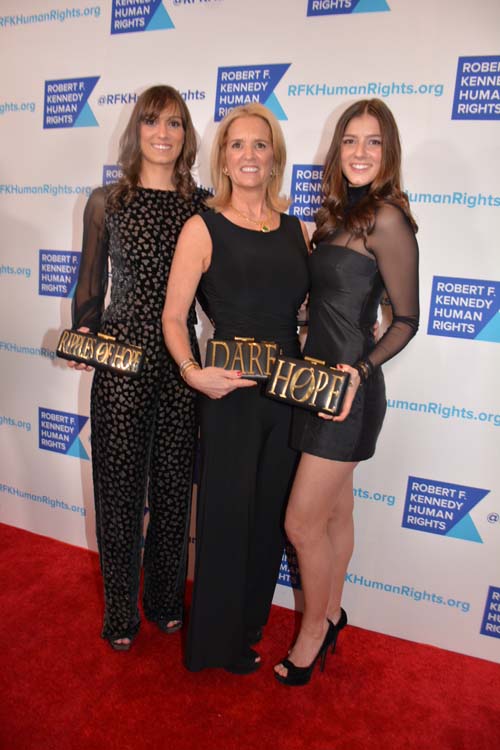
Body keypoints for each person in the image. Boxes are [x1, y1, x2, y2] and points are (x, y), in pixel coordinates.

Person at [274, 98, 419, 686]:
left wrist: (358, 370)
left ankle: (313, 632)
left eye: (373, 142)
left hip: (348, 394)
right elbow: (335, 305)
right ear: (337, 150)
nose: (360, 152)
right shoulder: (335, 217)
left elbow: (407, 320)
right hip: (313, 383)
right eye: (350, 141)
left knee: (301, 524)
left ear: (389, 154)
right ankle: (331, 612)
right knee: (335, 513)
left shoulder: (388, 219)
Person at [162, 103, 309, 673]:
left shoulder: (302, 229)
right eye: (237, 145)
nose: (249, 155)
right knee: (225, 516)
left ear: (274, 157)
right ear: (223, 157)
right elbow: (176, 318)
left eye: (260, 144)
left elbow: (311, 308)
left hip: (288, 392)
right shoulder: (203, 225)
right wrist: (193, 372)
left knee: (272, 514)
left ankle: (250, 624)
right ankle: (214, 644)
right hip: (226, 394)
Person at [69, 85, 210, 650]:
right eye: (152, 122)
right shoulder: (107, 201)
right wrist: (85, 331)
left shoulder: (200, 204)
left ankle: (164, 600)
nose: (162, 134)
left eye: (174, 124)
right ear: (137, 131)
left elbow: (219, 291)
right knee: (119, 489)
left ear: (186, 135)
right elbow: (89, 285)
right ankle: (121, 611)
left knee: (175, 489)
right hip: (122, 359)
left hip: (182, 364)